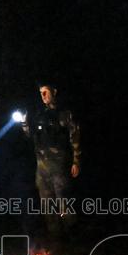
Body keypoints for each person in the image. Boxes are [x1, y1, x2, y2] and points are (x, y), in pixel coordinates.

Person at [21, 83, 82, 237]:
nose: (43, 96)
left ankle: (72, 234)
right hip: (42, 167)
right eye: (41, 93)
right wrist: (24, 123)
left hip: (59, 166)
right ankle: (55, 237)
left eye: (46, 92)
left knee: (64, 202)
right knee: (47, 205)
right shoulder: (40, 114)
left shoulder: (64, 114)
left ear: (54, 92)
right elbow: (30, 136)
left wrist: (76, 161)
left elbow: (75, 137)